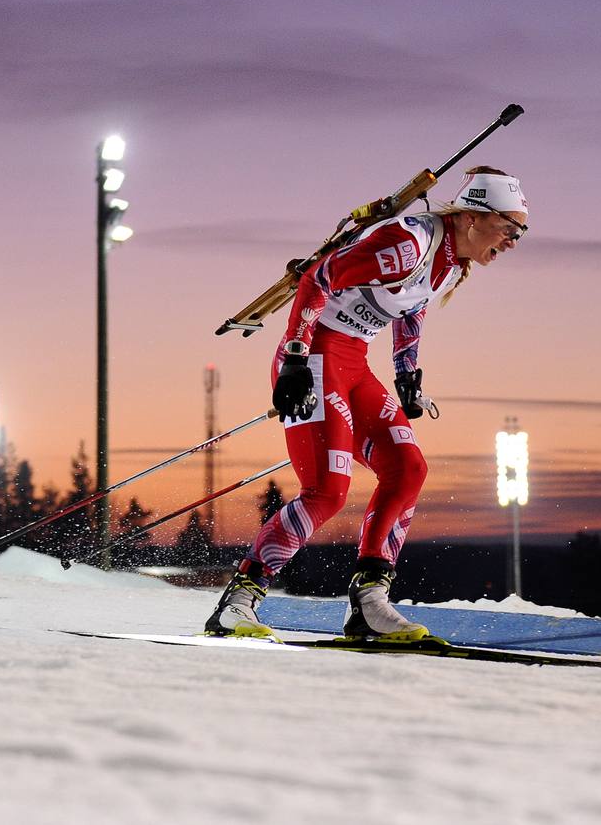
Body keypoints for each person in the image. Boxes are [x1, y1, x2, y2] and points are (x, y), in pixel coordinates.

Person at [205, 166, 529, 641]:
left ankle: (369, 603)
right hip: (315, 355)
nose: (513, 242)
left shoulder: (451, 260)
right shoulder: (407, 244)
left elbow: (411, 308)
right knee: (327, 489)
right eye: (509, 228)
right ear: (472, 216)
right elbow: (319, 278)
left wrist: (406, 375)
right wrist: (295, 357)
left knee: (408, 469)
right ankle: (238, 602)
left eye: (521, 232)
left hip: (354, 364)